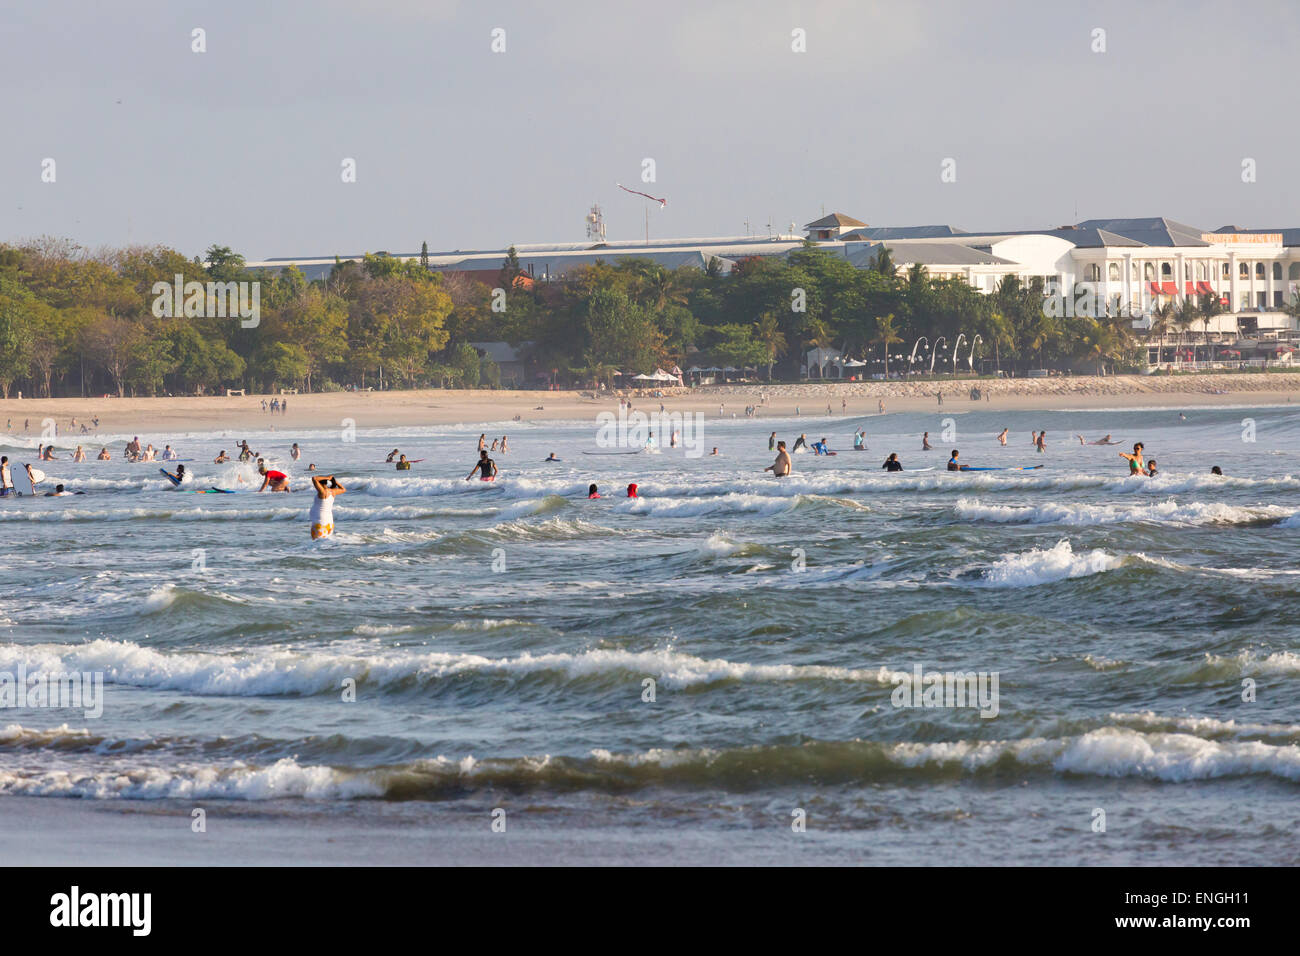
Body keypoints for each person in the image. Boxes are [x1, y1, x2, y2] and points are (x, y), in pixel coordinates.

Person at [309, 474, 345, 540]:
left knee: (316, 542)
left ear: (319, 484)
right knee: (325, 542)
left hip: (320, 521)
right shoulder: (333, 491)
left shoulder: (322, 492)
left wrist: (328, 478)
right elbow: (343, 489)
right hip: (329, 521)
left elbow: (314, 478)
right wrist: (334, 481)